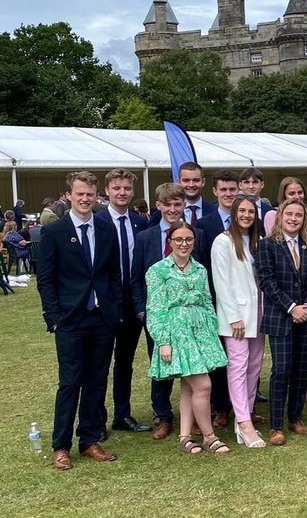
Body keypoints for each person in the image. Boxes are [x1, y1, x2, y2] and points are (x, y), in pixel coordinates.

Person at [37, 170, 123, 470]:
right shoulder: (54, 231)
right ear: (69, 195)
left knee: (97, 381)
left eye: (90, 194)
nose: (85, 199)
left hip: (102, 319)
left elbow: (113, 273)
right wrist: (54, 317)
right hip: (70, 320)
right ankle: (61, 445)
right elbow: (45, 279)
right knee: (70, 383)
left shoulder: (105, 228)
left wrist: (112, 307)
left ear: (96, 195)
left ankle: (88, 440)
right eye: (80, 194)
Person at [145, 220, 229, 455]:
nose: (184, 244)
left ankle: (184, 436)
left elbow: (206, 301)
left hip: (201, 333)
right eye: (178, 239)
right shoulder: (158, 271)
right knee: (203, 385)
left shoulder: (200, 269)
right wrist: (163, 341)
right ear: (170, 242)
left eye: (188, 239)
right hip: (176, 333)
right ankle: (209, 437)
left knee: (189, 386)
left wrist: (212, 330)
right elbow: (156, 308)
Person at [132, 182, 209, 441]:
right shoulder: (145, 236)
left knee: (193, 368)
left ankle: (196, 420)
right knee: (163, 367)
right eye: (168, 204)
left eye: (178, 204)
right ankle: (163, 416)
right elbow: (136, 278)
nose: (173, 209)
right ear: (159, 206)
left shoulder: (195, 234)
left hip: (191, 320)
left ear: (184, 205)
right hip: (158, 317)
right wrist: (143, 312)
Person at [257, 199, 307, 443]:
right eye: (289, 214)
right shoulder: (267, 246)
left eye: (299, 215)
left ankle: (295, 418)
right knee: (281, 370)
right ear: (280, 217)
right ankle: (276, 426)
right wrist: (291, 307)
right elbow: (267, 281)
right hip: (281, 318)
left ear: (304, 219)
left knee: (301, 369)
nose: (294, 219)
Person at [95, 168, 151, 435]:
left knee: (125, 362)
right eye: (116, 188)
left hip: (133, 301)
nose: (122, 192)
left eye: (127, 188)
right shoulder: (96, 220)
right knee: (100, 362)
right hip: (105, 303)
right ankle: (97, 418)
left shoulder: (141, 222)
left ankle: (122, 414)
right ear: (107, 190)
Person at [211, 194, 266, 448]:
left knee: (254, 367)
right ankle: (244, 423)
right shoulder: (222, 242)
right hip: (237, 318)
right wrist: (234, 318)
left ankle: (247, 412)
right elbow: (221, 282)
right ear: (233, 213)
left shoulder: (258, 241)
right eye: (242, 211)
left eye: (251, 212)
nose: (246, 216)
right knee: (238, 367)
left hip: (259, 313)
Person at [196, 170, 241, 426]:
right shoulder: (204, 224)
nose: (228, 194)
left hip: (244, 299)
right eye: (223, 190)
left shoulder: (249, 219)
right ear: (214, 191)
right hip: (215, 299)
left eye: (232, 190)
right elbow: (203, 264)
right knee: (219, 355)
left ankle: (244, 404)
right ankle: (221, 408)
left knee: (244, 352)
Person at [150, 161, 212, 227]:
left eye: (196, 180)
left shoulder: (214, 211)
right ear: (178, 182)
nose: (191, 185)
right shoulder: (160, 214)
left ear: (203, 182)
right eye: (186, 180)